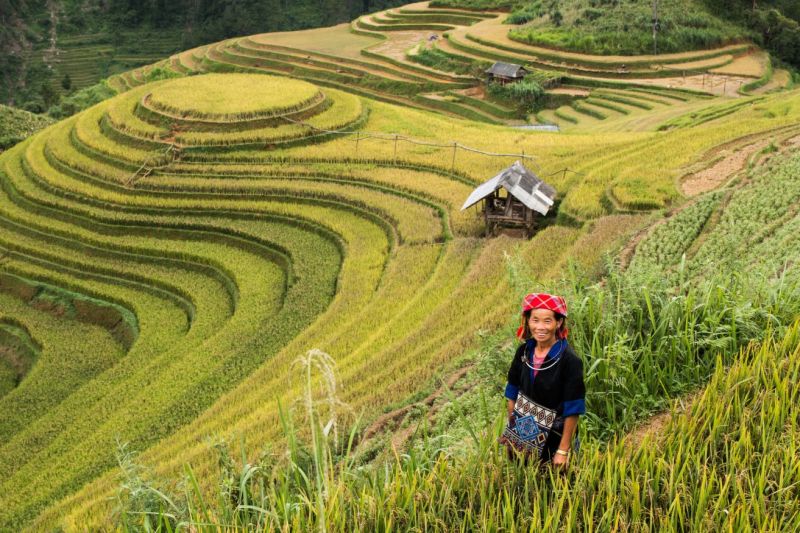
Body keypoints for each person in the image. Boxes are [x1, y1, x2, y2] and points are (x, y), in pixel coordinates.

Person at [501, 293, 585, 467]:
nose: (540, 327)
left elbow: (573, 408)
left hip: (556, 436)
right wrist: (513, 434)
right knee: (527, 484)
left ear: (558, 322)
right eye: (535, 320)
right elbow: (512, 392)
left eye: (547, 321)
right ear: (528, 321)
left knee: (558, 487)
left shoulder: (570, 361)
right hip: (524, 433)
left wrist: (563, 450)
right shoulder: (523, 352)